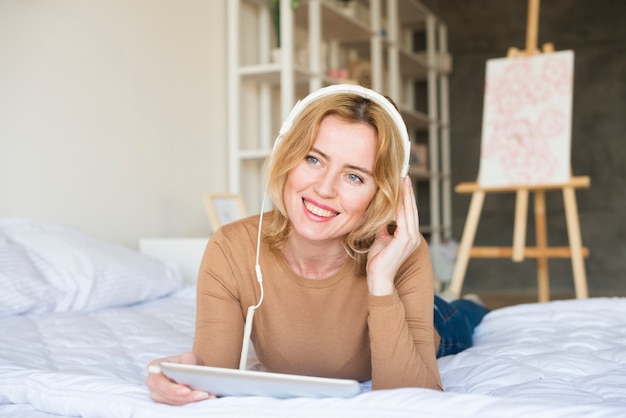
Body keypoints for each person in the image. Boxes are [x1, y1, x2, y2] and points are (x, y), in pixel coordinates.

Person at [146, 84, 489, 404]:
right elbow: (212, 378)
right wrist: (180, 376)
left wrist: (382, 282)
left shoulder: (403, 253)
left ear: (380, 193)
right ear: (288, 156)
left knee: (468, 317)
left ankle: (474, 305)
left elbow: (412, 400)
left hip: (434, 320)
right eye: (314, 159)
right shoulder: (230, 248)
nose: (324, 189)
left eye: (354, 176)